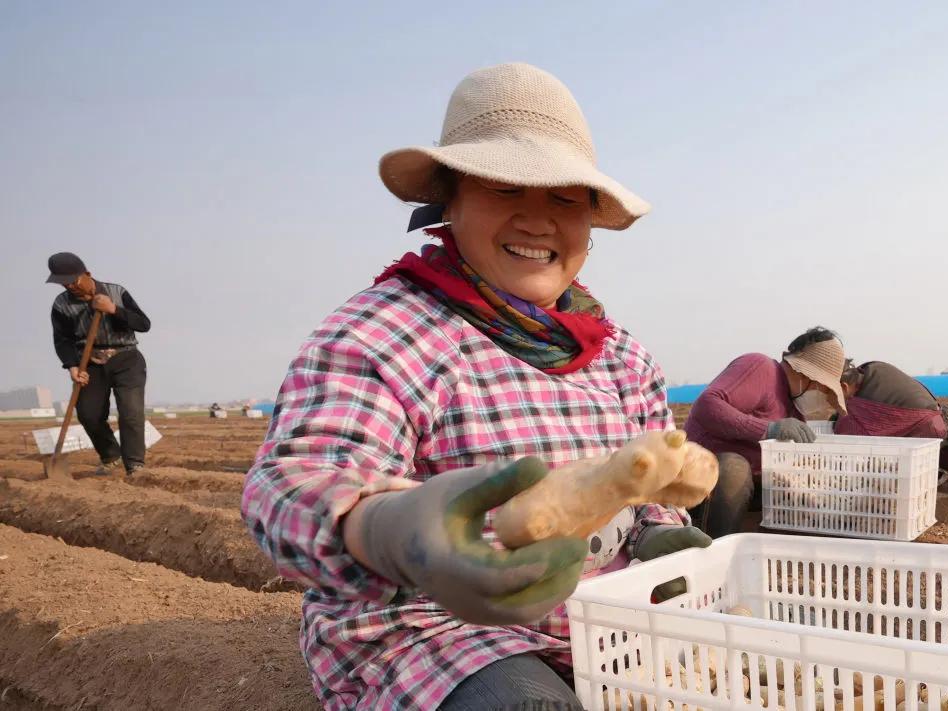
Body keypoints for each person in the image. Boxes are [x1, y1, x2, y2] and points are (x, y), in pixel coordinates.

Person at [241, 63, 716, 710]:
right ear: (451, 199)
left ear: (591, 221)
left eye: (563, 197)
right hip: (436, 629)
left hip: (599, 629)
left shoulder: (619, 357)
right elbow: (290, 483)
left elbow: (651, 486)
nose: (536, 219)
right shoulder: (386, 330)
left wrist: (660, 532)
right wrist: (385, 527)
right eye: (505, 187)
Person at [683, 327, 847, 538]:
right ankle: (715, 548)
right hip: (701, 478)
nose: (821, 396)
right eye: (823, 388)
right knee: (735, 467)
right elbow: (707, 406)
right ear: (803, 374)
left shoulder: (794, 411)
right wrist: (768, 429)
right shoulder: (761, 368)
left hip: (749, 490)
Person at [46, 252, 151, 476]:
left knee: (130, 412)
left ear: (87, 274)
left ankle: (135, 465)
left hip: (126, 358)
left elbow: (143, 324)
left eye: (73, 280)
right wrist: (72, 367)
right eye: (63, 283)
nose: (70, 286)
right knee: (88, 414)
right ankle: (111, 456)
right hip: (90, 363)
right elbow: (62, 340)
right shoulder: (61, 305)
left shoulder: (116, 292)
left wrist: (114, 309)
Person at [837, 360, 948, 483]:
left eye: (828, 393)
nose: (827, 399)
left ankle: (942, 470)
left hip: (936, 445)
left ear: (844, 387)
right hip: (942, 424)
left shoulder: (864, 404)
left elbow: (848, 433)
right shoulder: (874, 369)